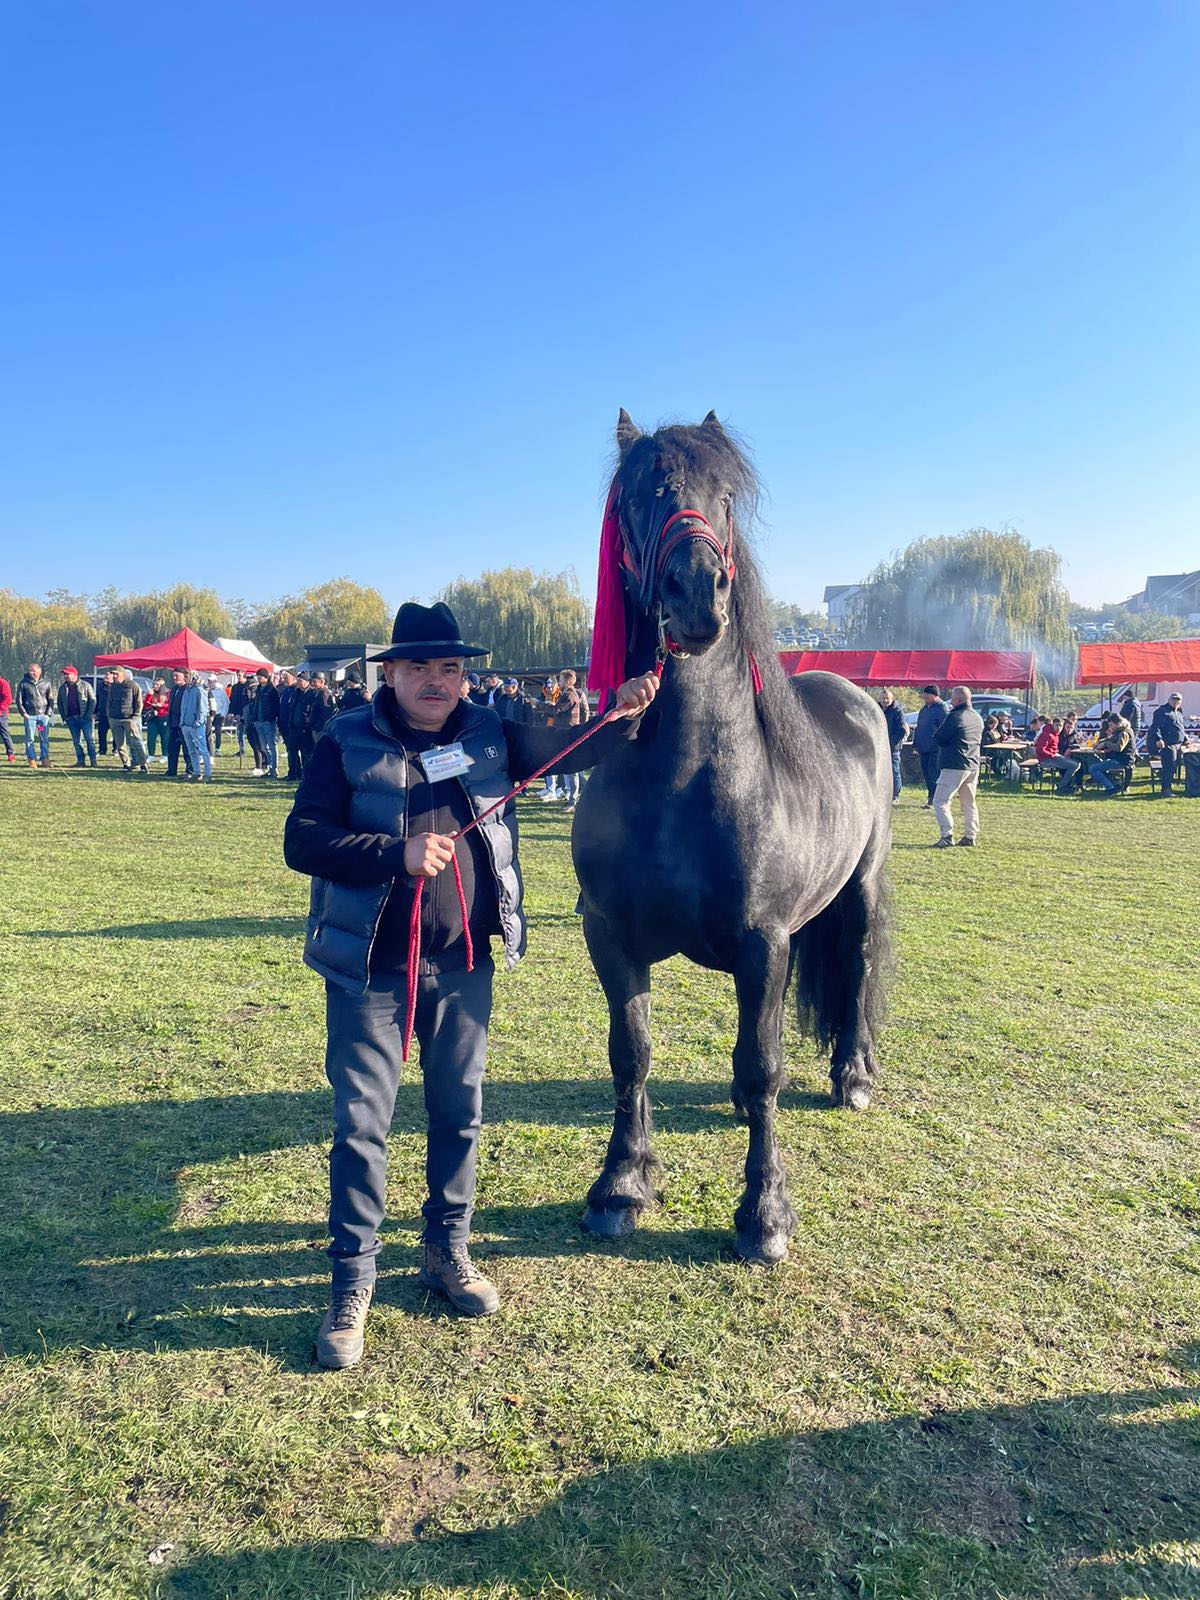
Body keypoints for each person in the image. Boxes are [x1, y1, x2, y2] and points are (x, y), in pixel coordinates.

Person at [282, 601, 657, 1369]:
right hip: (370, 973)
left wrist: (620, 713)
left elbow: (568, 749)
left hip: (461, 970)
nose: (437, 681)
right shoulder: (345, 739)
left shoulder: (489, 734)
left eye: (450, 668)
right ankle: (351, 1286)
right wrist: (394, 853)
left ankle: (446, 1253)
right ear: (390, 672)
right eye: (420, 666)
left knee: (460, 1117)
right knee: (362, 1128)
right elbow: (302, 839)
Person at [931, 685, 984, 848]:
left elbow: (939, 738)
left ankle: (947, 835)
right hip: (972, 764)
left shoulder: (955, 716)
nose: (950, 701)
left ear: (958, 699)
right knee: (969, 803)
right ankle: (970, 836)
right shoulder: (977, 717)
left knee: (940, 801)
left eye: (952, 698)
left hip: (954, 765)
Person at [550, 669, 591, 807]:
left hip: (569, 734)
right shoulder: (567, 694)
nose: (559, 682)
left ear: (567, 681)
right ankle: (576, 795)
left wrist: (537, 703)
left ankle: (573, 800)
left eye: (561, 679)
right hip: (567, 734)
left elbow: (556, 710)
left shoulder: (569, 695)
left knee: (572, 770)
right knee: (572, 769)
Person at [105, 668, 149, 775]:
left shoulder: (132, 685)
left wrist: (136, 716)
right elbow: (109, 702)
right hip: (115, 719)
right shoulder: (112, 687)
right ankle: (126, 764)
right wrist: (109, 716)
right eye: (113, 674)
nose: (114, 676)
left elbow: (139, 702)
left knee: (135, 742)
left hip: (129, 718)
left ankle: (143, 765)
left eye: (116, 674)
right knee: (119, 744)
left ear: (123, 674)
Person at [913, 685, 948, 808]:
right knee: (927, 774)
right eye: (924, 693)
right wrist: (915, 744)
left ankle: (935, 800)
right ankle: (931, 797)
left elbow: (944, 729)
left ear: (935, 695)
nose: (925, 696)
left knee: (934, 774)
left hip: (935, 748)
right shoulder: (924, 710)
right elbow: (919, 727)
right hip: (923, 747)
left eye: (928, 694)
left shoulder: (942, 708)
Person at [56, 666, 97, 767]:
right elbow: (60, 703)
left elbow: (92, 701)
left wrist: (88, 715)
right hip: (71, 718)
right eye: (64, 674)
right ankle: (81, 761)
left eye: (67, 674)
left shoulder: (86, 685)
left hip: (84, 718)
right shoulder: (62, 688)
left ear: (74, 674)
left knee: (89, 740)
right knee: (76, 741)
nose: (65, 676)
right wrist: (64, 717)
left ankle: (93, 761)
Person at [1147, 692, 1187, 796]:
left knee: (1174, 766)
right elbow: (1156, 726)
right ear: (1169, 700)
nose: (1176, 701)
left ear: (1181, 702)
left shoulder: (1178, 712)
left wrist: (1185, 738)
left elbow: (1180, 727)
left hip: (1178, 744)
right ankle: (1165, 790)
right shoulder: (1162, 711)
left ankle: (1170, 786)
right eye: (1174, 699)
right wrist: (1159, 739)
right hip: (1168, 744)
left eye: (1178, 700)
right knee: (1169, 767)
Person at [16, 662, 54, 768]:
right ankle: (31, 759)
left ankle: (45, 758)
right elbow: (19, 700)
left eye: (33, 670)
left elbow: (50, 699)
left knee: (44, 738)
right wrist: (24, 714)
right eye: (30, 671)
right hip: (30, 717)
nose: (31, 672)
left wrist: (48, 714)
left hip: (43, 717)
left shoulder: (46, 683)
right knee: (30, 738)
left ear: (39, 671)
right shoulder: (23, 683)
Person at [178, 673, 214, 782]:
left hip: (196, 726)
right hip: (185, 725)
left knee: (203, 750)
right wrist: (182, 722)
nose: (186, 679)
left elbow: (203, 708)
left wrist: (198, 722)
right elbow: (183, 706)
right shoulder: (186, 691)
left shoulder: (199, 690)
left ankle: (207, 773)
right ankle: (196, 772)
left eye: (188, 677)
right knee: (191, 751)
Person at [1090, 711, 1135, 796]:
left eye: (1111, 725)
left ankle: (1111, 788)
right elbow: (1112, 739)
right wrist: (1101, 742)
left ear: (1118, 723)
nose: (1110, 727)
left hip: (1122, 761)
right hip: (1120, 760)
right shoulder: (1120, 731)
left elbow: (1119, 747)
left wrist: (1106, 744)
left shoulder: (1124, 733)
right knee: (1096, 765)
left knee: (1093, 768)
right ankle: (1116, 785)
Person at [1034, 715, 1080, 796]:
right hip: (1046, 760)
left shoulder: (1055, 734)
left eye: (1060, 726)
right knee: (1074, 765)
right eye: (1056, 725)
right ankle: (1062, 786)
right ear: (1053, 725)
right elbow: (1039, 750)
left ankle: (1071, 785)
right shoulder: (1047, 734)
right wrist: (1052, 755)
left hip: (1053, 756)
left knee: (1077, 763)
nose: (1058, 727)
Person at [251, 667, 280, 778]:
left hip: (268, 721)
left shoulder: (272, 690)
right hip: (258, 720)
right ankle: (269, 767)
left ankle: (274, 769)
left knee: (271, 746)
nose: (258, 678)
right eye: (257, 676)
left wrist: (271, 718)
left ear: (266, 677)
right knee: (263, 747)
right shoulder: (258, 688)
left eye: (260, 676)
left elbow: (276, 706)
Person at [878, 688, 906, 804]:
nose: (885, 701)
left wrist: (889, 742)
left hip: (893, 747)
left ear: (892, 699)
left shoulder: (897, 711)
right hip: (879, 746)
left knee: (894, 771)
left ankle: (895, 795)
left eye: (887, 698)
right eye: (883, 698)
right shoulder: (877, 709)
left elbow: (902, 730)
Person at [283, 670, 311, 778]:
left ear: (307, 681)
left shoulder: (311, 693)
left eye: (301, 680)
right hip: (293, 727)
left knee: (305, 753)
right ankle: (293, 773)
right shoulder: (296, 693)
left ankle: (305, 775)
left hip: (305, 728)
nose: (299, 682)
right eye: (298, 680)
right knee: (292, 751)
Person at [166, 668, 192, 778]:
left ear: (185, 676)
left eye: (177, 675)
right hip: (173, 723)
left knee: (187, 749)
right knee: (172, 748)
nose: (174, 677)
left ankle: (190, 771)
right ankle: (171, 770)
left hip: (184, 723)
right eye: (174, 675)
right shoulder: (174, 689)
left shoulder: (189, 689)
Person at [143, 678, 171, 762]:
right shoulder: (151, 693)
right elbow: (146, 705)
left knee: (164, 737)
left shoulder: (168, 693)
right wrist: (149, 695)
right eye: (154, 684)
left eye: (157, 685)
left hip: (164, 716)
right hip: (152, 717)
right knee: (151, 737)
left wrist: (162, 705)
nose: (155, 686)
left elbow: (170, 705)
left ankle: (165, 755)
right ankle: (151, 755)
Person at [208, 676, 230, 754]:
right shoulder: (206, 691)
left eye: (211, 681)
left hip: (218, 714)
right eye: (209, 681)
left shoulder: (221, 691)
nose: (210, 683)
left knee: (218, 732)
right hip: (209, 714)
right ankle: (209, 748)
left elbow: (226, 703)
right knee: (208, 732)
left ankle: (217, 748)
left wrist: (223, 714)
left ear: (215, 681)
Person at [0, 671, 14, 763]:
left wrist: (0, 709)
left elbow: (8, 699)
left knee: (4, 733)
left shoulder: (3, 684)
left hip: (1, 713)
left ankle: (10, 753)